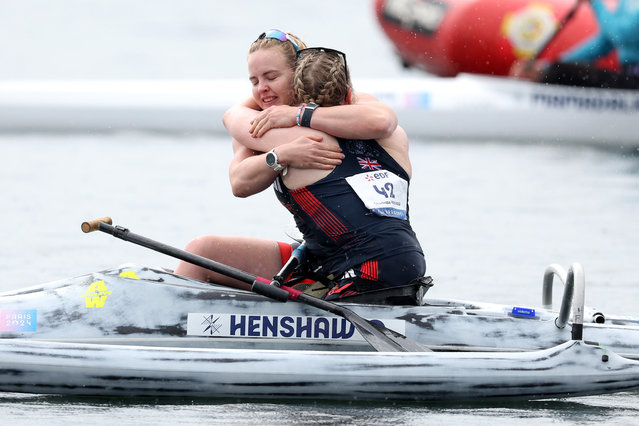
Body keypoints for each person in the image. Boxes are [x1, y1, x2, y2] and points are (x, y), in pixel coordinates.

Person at [174, 30, 426, 300]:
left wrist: (293, 114)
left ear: (297, 75)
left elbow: (232, 118)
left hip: (369, 271)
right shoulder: (374, 121)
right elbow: (240, 183)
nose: (261, 88)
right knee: (202, 251)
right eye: (254, 81)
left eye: (271, 77)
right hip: (375, 260)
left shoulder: (303, 132)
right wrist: (281, 154)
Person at [511, 0, 639, 89]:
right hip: (628, 76)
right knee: (561, 72)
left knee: (561, 74)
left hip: (634, 81)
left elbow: (622, 35)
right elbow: (603, 43)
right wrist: (548, 67)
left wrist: (595, 2)